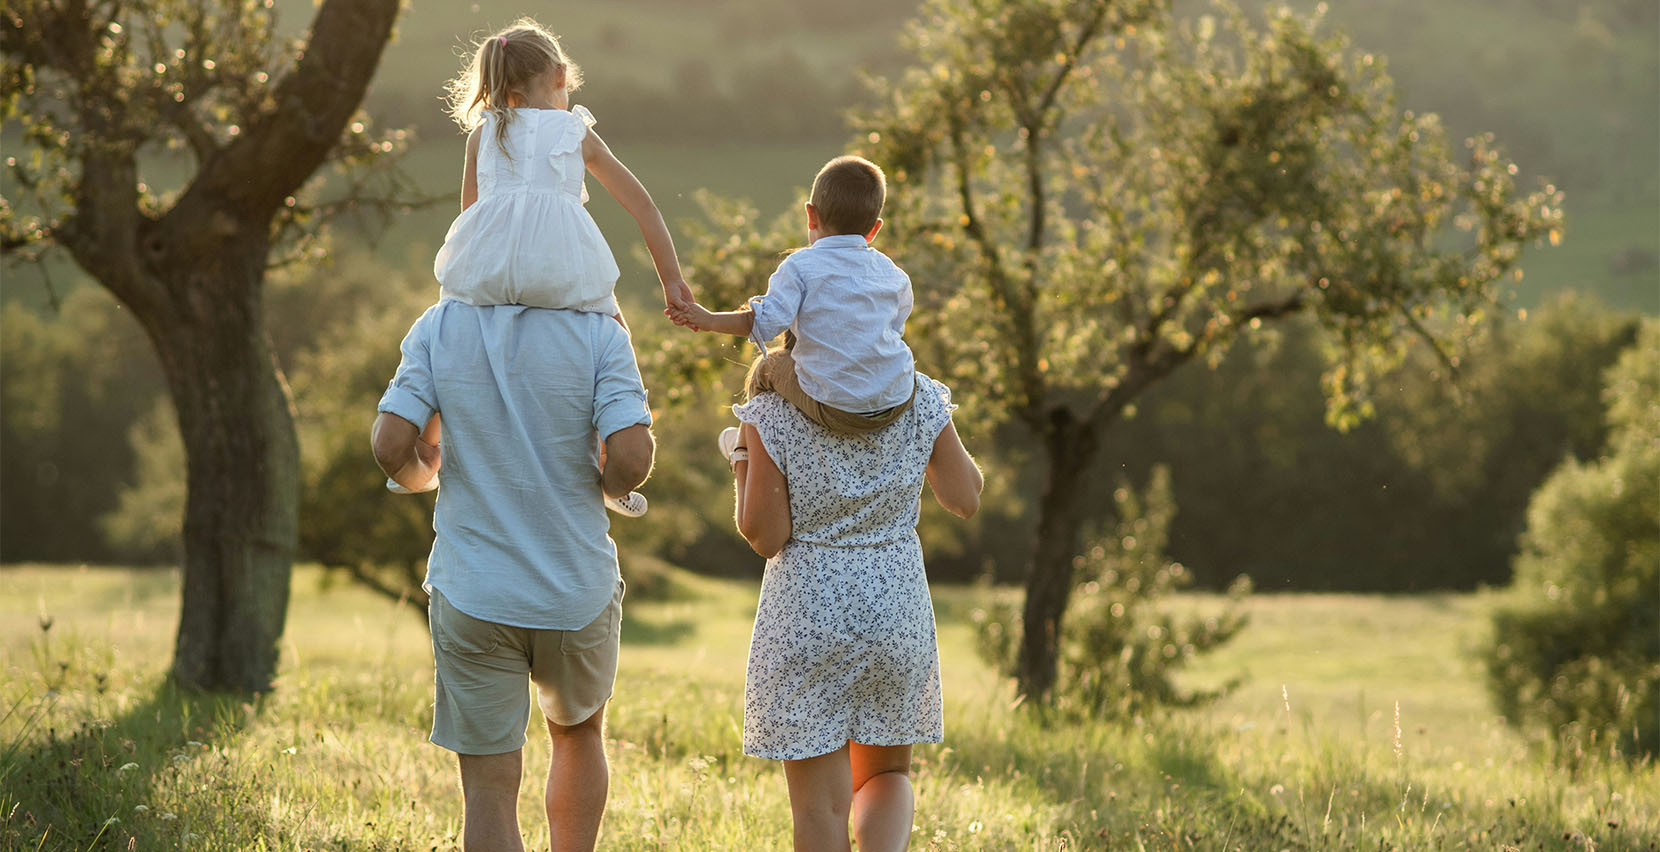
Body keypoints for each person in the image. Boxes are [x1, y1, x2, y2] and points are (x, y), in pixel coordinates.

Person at [372, 298, 654, 852]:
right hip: (576, 590)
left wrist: (423, 474)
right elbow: (632, 459)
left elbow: (390, 446)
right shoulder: (601, 332)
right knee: (577, 736)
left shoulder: (440, 323)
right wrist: (609, 486)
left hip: (473, 588)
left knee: (488, 786)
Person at [392, 19, 693, 516]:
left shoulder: (483, 133)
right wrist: (673, 283)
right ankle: (605, 458)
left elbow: (470, 218)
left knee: (448, 334)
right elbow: (643, 207)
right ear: (558, 76)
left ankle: (428, 446)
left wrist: (469, 281)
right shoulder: (575, 131)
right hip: (559, 273)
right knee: (614, 335)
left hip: (487, 274)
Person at [720, 362, 983, 852]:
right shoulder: (917, 396)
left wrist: (741, 457)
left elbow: (766, 534)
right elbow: (965, 497)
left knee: (820, 807)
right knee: (885, 775)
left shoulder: (770, 414)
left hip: (808, 616)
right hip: (895, 615)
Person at [667, 155, 916, 435]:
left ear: (811, 215)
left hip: (835, 407)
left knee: (765, 367)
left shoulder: (800, 266)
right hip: (895, 400)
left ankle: (745, 449)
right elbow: (893, 331)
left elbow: (765, 323)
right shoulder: (894, 274)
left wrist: (709, 319)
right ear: (874, 229)